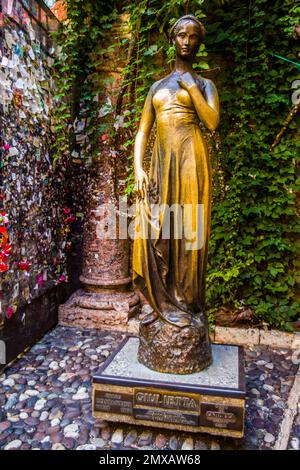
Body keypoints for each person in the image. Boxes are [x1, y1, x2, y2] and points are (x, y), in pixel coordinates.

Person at [133, 15, 220, 330]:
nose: (187, 41)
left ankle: (187, 301)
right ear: (172, 39)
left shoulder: (205, 84)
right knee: (158, 227)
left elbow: (211, 123)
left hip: (190, 161)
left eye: (193, 36)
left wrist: (191, 90)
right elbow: (143, 131)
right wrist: (137, 168)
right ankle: (159, 300)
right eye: (181, 35)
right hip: (160, 163)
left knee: (188, 229)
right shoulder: (156, 87)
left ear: (199, 42)